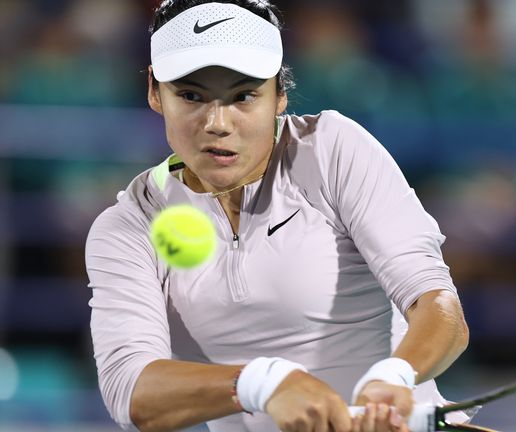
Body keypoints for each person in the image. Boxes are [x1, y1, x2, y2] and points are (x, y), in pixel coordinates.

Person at [85, 1, 470, 431]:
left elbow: (440, 309)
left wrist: (395, 373)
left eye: (244, 96)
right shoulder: (129, 226)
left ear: (279, 96)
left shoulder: (332, 151)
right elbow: (131, 391)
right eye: (191, 95)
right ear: (155, 92)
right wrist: (263, 384)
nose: (217, 122)